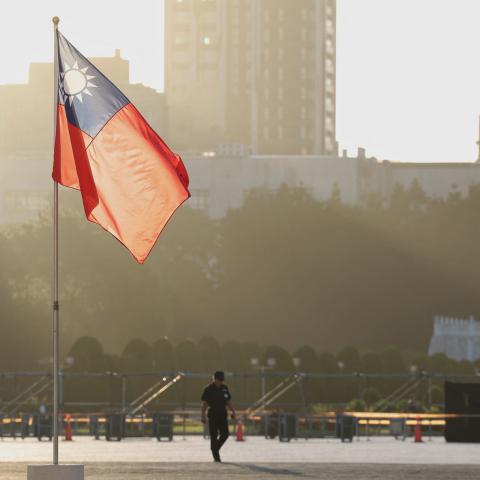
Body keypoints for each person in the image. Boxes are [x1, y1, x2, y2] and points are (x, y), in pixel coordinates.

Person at [201, 371, 236, 462]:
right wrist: (203, 415)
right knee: (214, 435)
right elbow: (205, 404)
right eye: (219, 380)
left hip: (223, 414)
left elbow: (228, 401)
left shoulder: (224, 388)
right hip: (213, 415)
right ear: (214, 379)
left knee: (225, 433)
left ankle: (215, 448)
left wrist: (233, 411)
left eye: (222, 380)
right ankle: (216, 457)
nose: (221, 382)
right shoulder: (208, 389)